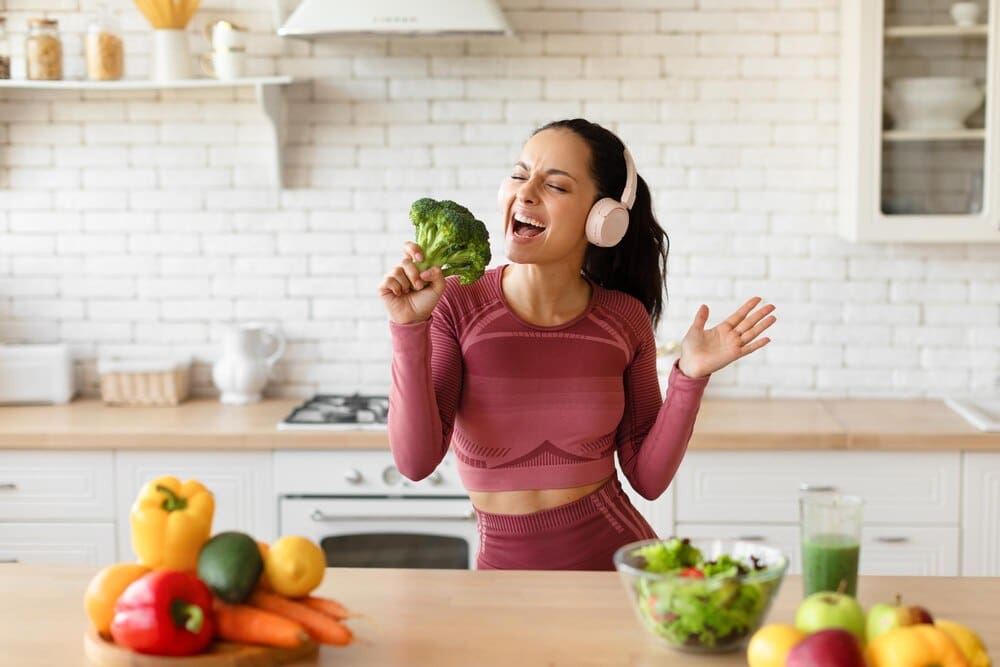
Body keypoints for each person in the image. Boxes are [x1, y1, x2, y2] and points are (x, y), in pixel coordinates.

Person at [377, 118, 775, 571]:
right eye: (520, 174)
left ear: (602, 218)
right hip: (501, 581)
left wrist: (690, 376)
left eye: (556, 186)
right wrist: (408, 328)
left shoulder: (623, 319)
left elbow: (647, 480)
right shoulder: (456, 304)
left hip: (617, 573)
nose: (526, 193)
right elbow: (415, 462)